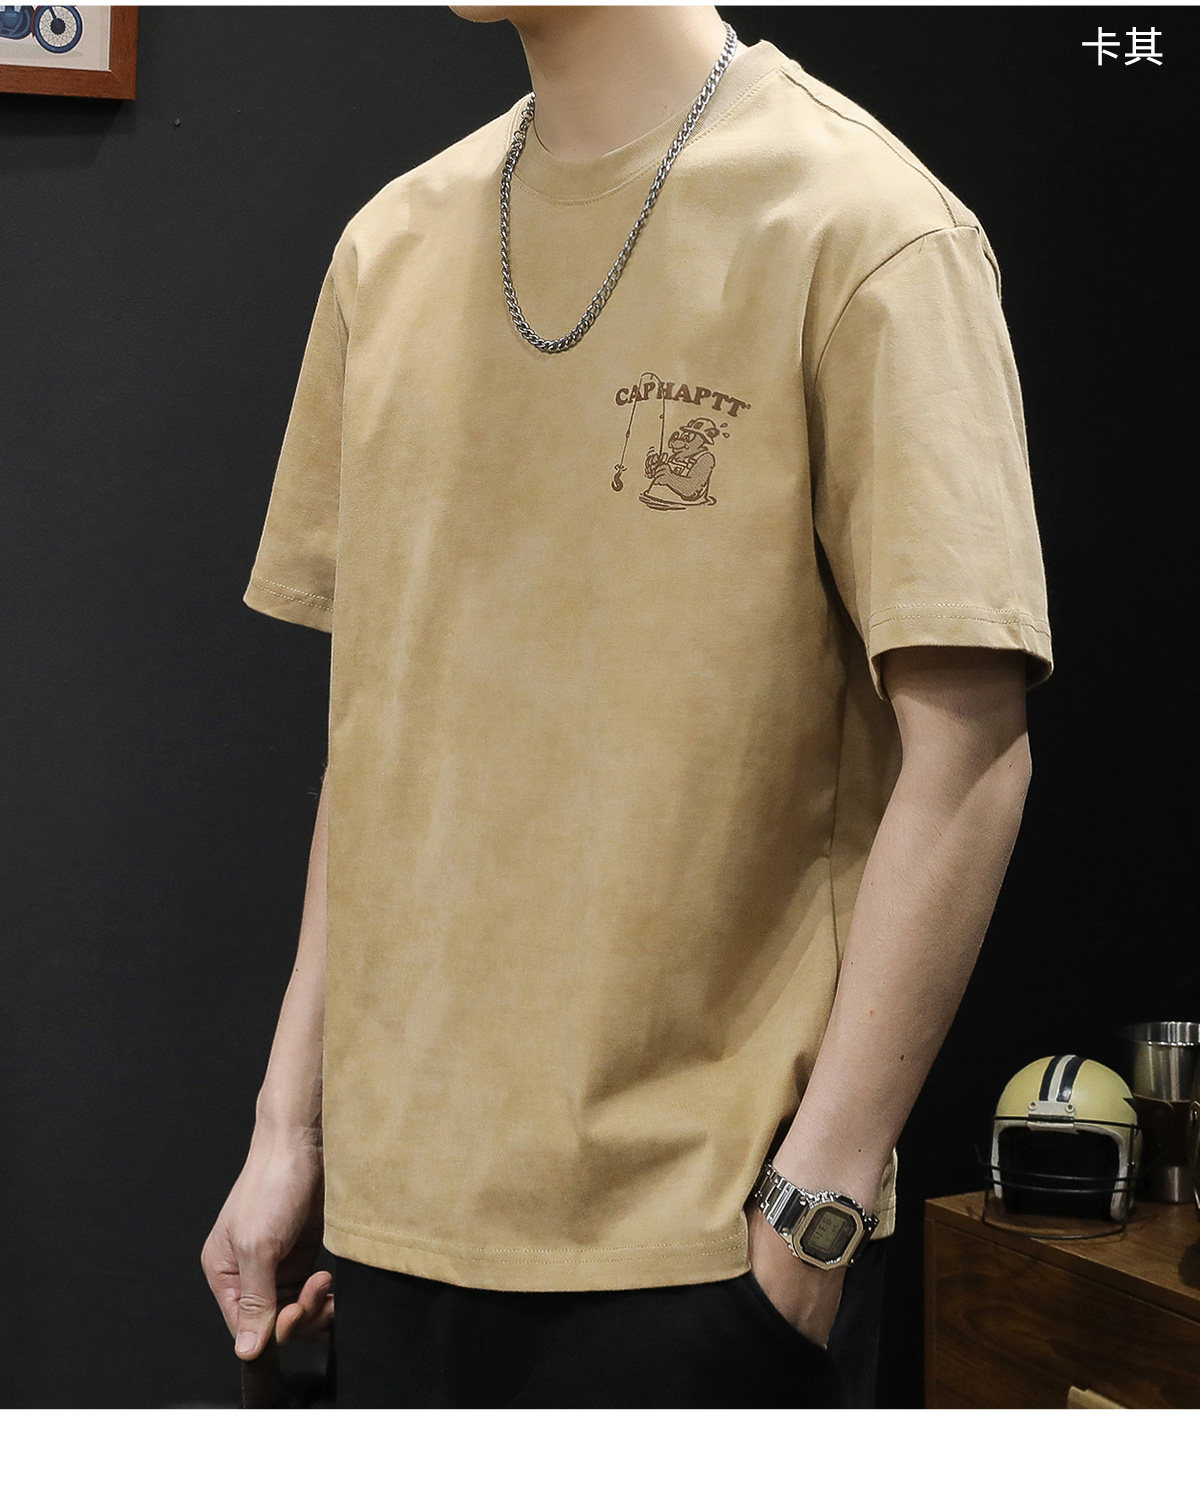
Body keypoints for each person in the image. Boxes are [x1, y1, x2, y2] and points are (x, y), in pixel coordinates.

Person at [201, 4, 1053, 1408]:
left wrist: (817, 1204)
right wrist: (287, 1124)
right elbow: (385, 736)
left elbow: (971, 754)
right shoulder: (389, 247)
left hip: (703, 1244)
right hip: (389, 1237)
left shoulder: (866, 228)